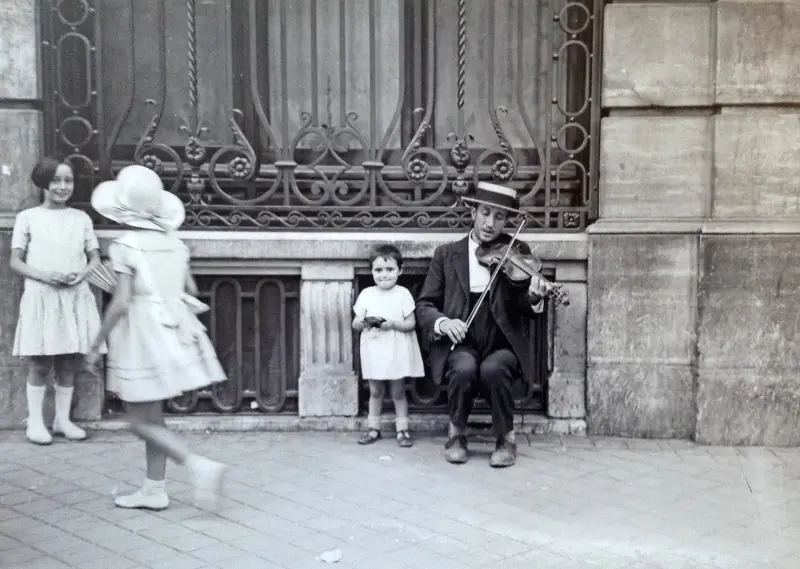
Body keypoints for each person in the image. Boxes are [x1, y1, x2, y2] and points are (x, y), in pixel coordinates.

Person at [84, 165, 227, 511]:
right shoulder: (174, 242)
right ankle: (154, 489)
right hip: (172, 329)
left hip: (140, 334)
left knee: (136, 419)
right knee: (153, 417)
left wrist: (95, 345)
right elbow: (190, 289)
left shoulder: (124, 246)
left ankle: (197, 465)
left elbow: (119, 304)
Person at [415, 182, 549, 467]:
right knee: (463, 368)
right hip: (462, 338)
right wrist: (443, 322)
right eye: (485, 213)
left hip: (502, 338)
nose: (490, 223)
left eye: (499, 217)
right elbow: (424, 305)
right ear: (472, 211)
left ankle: (505, 438)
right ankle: (457, 434)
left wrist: (534, 297)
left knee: (494, 368)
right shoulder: (447, 254)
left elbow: (520, 305)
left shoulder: (516, 249)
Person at [10, 156, 104, 445]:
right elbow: (15, 261)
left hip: (74, 295)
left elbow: (95, 258)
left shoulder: (81, 219)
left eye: (68, 180)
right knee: (39, 361)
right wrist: (44, 275)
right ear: (43, 183)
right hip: (42, 295)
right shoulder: (28, 218)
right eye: (56, 180)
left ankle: (62, 420)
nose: (63, 186)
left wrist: (81, 275)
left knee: (68, 361)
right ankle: (35, 422)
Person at [353, 244, 425, 447]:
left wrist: (393, 324)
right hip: (374, 348)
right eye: (378, 270)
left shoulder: (402, 294)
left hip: (396, 349)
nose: (384, 275)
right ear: (372, 271)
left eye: (390, 269)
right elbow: (356, 322)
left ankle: (403, 430)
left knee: (398, 391)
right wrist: (360, 323)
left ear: (400, 270)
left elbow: (411, 323)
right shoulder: (367, 294)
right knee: (375, 391)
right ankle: (373, 428)